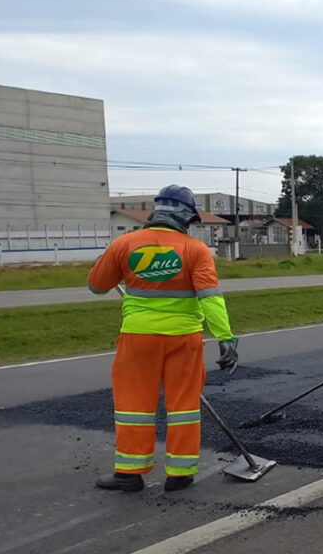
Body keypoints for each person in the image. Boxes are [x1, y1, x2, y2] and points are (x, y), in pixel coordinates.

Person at [88, 185, 239, 493]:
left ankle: (130, 473)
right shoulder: (195, 250)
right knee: (183, 406)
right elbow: (211, 298)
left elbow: (96, 286)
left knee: (133, 405)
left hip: (137, 338)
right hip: (184, 339)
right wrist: (225, 337)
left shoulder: (125, 244)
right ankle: (180, 474)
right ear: (186, 216)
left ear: (156, 211)